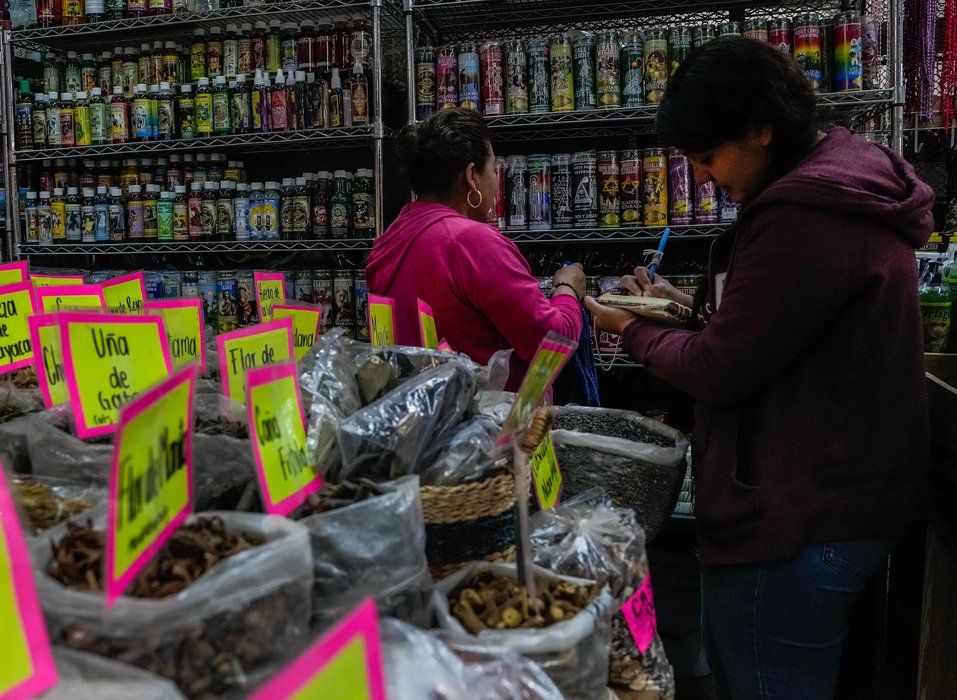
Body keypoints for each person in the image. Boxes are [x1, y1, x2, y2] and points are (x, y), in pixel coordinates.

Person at [585, 36, 932, 699]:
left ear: (760, 129)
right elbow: (778, 332)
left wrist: (628, 328)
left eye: (708, 158)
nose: (706, 177)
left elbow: (720, 368)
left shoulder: (802, 214)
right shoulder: (838, 186)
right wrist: (680, 310)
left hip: (797, 517)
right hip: (838, 502)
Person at [365, 108, 586, 390]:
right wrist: (567, 290)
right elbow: (552, 344)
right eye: (493, 169)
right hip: (484, 422)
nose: (496, 181)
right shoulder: (471, 242)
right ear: (472, 177)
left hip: (422, 417)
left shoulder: (393, 236)